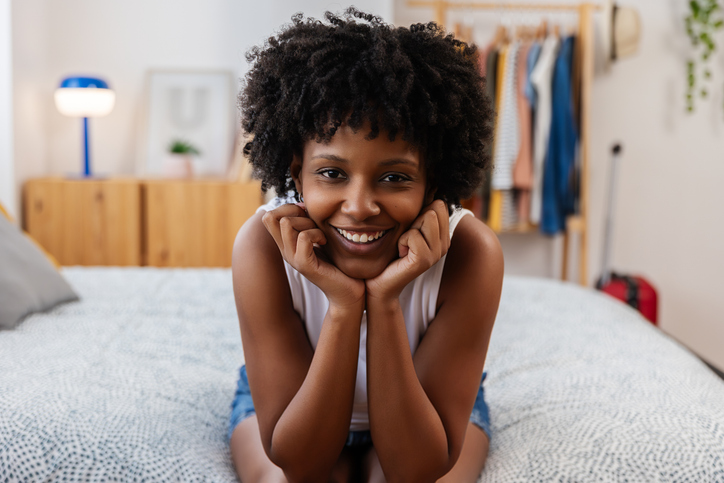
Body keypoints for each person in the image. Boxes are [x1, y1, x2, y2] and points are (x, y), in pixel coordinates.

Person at [229, 8, 503, 482]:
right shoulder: (261, 246)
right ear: (296, 170)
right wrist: (342, 304)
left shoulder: (471, 252)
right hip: (295, 403)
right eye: (331, 173)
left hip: (427, 413)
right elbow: (300, 463)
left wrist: (386, 300)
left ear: (431, 182)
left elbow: (416, 468)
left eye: (394, 177)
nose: (358, 207)